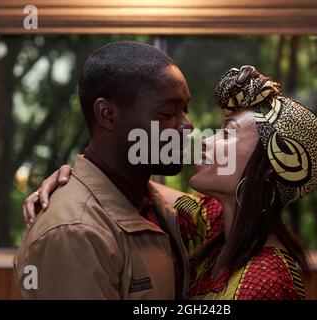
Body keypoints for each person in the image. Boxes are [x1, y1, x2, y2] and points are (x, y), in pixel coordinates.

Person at [23, 66, 317, 300]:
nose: (204, 140)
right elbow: (118, 184)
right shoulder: (212, 222)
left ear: (267, 172)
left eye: (226, 135)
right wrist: (73, 176)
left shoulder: (267, 279)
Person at [14, 41, 193, 299]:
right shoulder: (75, 232)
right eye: (167, 113)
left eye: (184, 110)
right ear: (107, 114)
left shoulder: (153, 203)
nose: (187, 126)